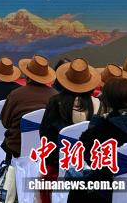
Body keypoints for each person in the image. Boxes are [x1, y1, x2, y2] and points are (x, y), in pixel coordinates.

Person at [68, 77, 127, 203]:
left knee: (74, 181)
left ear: (108, 100)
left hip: (109, 193)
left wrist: (97, 118)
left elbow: (87, 156)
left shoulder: (104, 129)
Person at [39, 58, 100, 203]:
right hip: (90, 165)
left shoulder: (55, 102)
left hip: (58, 165)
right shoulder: (98, 103)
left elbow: (45, 135)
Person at [1, 54, 57, 159]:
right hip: (47, 148)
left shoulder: (15, 94)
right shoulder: (55, 96)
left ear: (27, 76)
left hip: (18, 147)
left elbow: (6, 123)